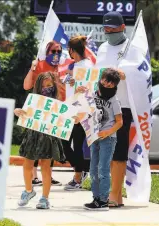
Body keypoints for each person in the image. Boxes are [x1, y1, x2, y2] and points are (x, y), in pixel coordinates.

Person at [24, 41, 73, 186]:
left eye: (59, 51)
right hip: (39, 109)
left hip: (56, 110)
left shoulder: (63, 68)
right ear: (47, 52)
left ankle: (47, 176)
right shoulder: (39, 65)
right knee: (35, 143)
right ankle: (33, 177)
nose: (56, 54)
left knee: (51, 145)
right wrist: (32, 68)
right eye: (53, 51)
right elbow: (27, 85)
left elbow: (68, 86)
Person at [15, 72, 66, 209]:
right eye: (43, 86)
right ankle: (28, 190)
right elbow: (26, 113)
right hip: (33, 134)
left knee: (46, 167)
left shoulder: (58, 103)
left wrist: (73, 117)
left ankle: (45, 198)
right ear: (38, 87)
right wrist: (18, 111)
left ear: (54, 86)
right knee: (27, 165)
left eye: (49, 85)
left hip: (49, 136)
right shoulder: (33, 100)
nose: (46, 88)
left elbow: (65, 116)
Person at [95, 11, 129, 208]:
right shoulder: (102, 48)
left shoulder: (132, 48)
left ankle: (115, 194)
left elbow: (141, 75)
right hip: (101, 105)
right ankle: (111, 193)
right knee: (105, 153)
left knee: (118, 153)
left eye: (113, 29)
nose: (109, 32)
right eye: (106, 29)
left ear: (122, 27)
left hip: (122, 105)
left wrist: (126, 75)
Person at [83, 68, 123, 211]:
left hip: (108, 138)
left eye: (110, 84)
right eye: (105, 81)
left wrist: (107, 132)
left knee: (103, 169)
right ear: (101, 79)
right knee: (93, 169)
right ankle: (96, 198)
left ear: (115, 86)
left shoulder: (114, 100)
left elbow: (120, 122)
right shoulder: (93, 95)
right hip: (94, 137)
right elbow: (84, 111)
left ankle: (104, 200)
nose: (106, 85)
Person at [63, 35, 94, 191]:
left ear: (72, 50)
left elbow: (88, 89)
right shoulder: (75, 66)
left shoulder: (86, 66)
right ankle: (80, 172)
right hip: (71, 109)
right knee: (66, 143)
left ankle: (79, 175)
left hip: (81, 111)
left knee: (75, 143)